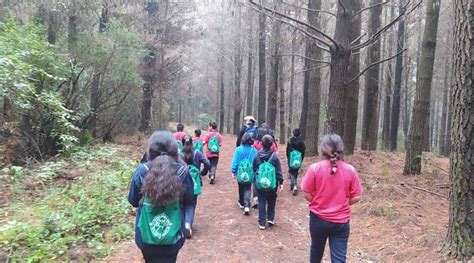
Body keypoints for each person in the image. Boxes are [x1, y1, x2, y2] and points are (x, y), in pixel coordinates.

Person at [128, 131, 194, 263]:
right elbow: (190, 200)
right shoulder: (183, 171)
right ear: (175, 149)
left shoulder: (142, 170)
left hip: (145, 237)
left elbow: (133, 200)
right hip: (173, 238)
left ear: (151, 149)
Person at [300, 134, 363, 263]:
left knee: (316, 251)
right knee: (339, 258)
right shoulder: (350, 170)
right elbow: (357, 196)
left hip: (318, 219)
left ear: (322, 149)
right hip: (341, 222)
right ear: (341, 149)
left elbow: (306, 192)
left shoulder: (315, 168)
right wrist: (344, 203)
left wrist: (317, 201)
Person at [181, 135, 210, 238]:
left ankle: (181, 224)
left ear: (182, 142)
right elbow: (207, 163)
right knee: (191, 204)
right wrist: (203, 172)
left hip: (181, 182)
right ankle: (188, 224)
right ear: (192, 143)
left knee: (182, 203)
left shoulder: (179, 155)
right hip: (194, 182)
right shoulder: (197, 153)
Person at [253, 135, 283, 230]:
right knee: (272, 200)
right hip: (272, 184)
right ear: (272, 145)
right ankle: (270, 218)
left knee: (261, 201)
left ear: (261, 143)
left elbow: (254, 168)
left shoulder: (257, 155)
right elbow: (278, 170)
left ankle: (262, 223)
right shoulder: (275, 156)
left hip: (260, 184)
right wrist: (281, 182)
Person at [231, 133, 258, 215]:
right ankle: (247, 205)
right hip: (250, 173)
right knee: (248, 188)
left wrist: (233, 171)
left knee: (241, 187)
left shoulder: (239, 149)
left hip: (240, 172)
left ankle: (242, 202)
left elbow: (235, 161)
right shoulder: (254, 150)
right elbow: (256, 162)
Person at [286, 128, 306, 195]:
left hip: (291, 158)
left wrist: (288, 158)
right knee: (296, 172)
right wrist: (301, 159)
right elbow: (303, 152)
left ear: (293, 133)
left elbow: (287, 150)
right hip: (298, 159)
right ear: (300, 134)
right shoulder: (302, 142)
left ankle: (294, 185)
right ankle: (293, 184)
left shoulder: (290, 141)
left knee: (291, 172)